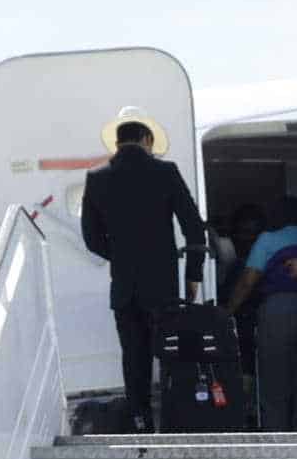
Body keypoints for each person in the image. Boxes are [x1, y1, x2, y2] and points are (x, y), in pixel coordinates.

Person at [77, 111, 207, 431]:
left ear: (118, 143)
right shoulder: (165, 172)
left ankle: (141, 422)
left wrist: (121, 257)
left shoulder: (97, 178)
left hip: (124, 288)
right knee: (171, 354)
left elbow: (91, 238)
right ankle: (177, 421)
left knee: (133, 357)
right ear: (147, 140)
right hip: (162, 285)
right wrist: (193, 274)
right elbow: (193, 227)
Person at [233, 198, 297, 433]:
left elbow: (247, 282)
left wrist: (227, 311)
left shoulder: (268, 239)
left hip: (277, 312)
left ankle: (276, 438)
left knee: (273, 380)